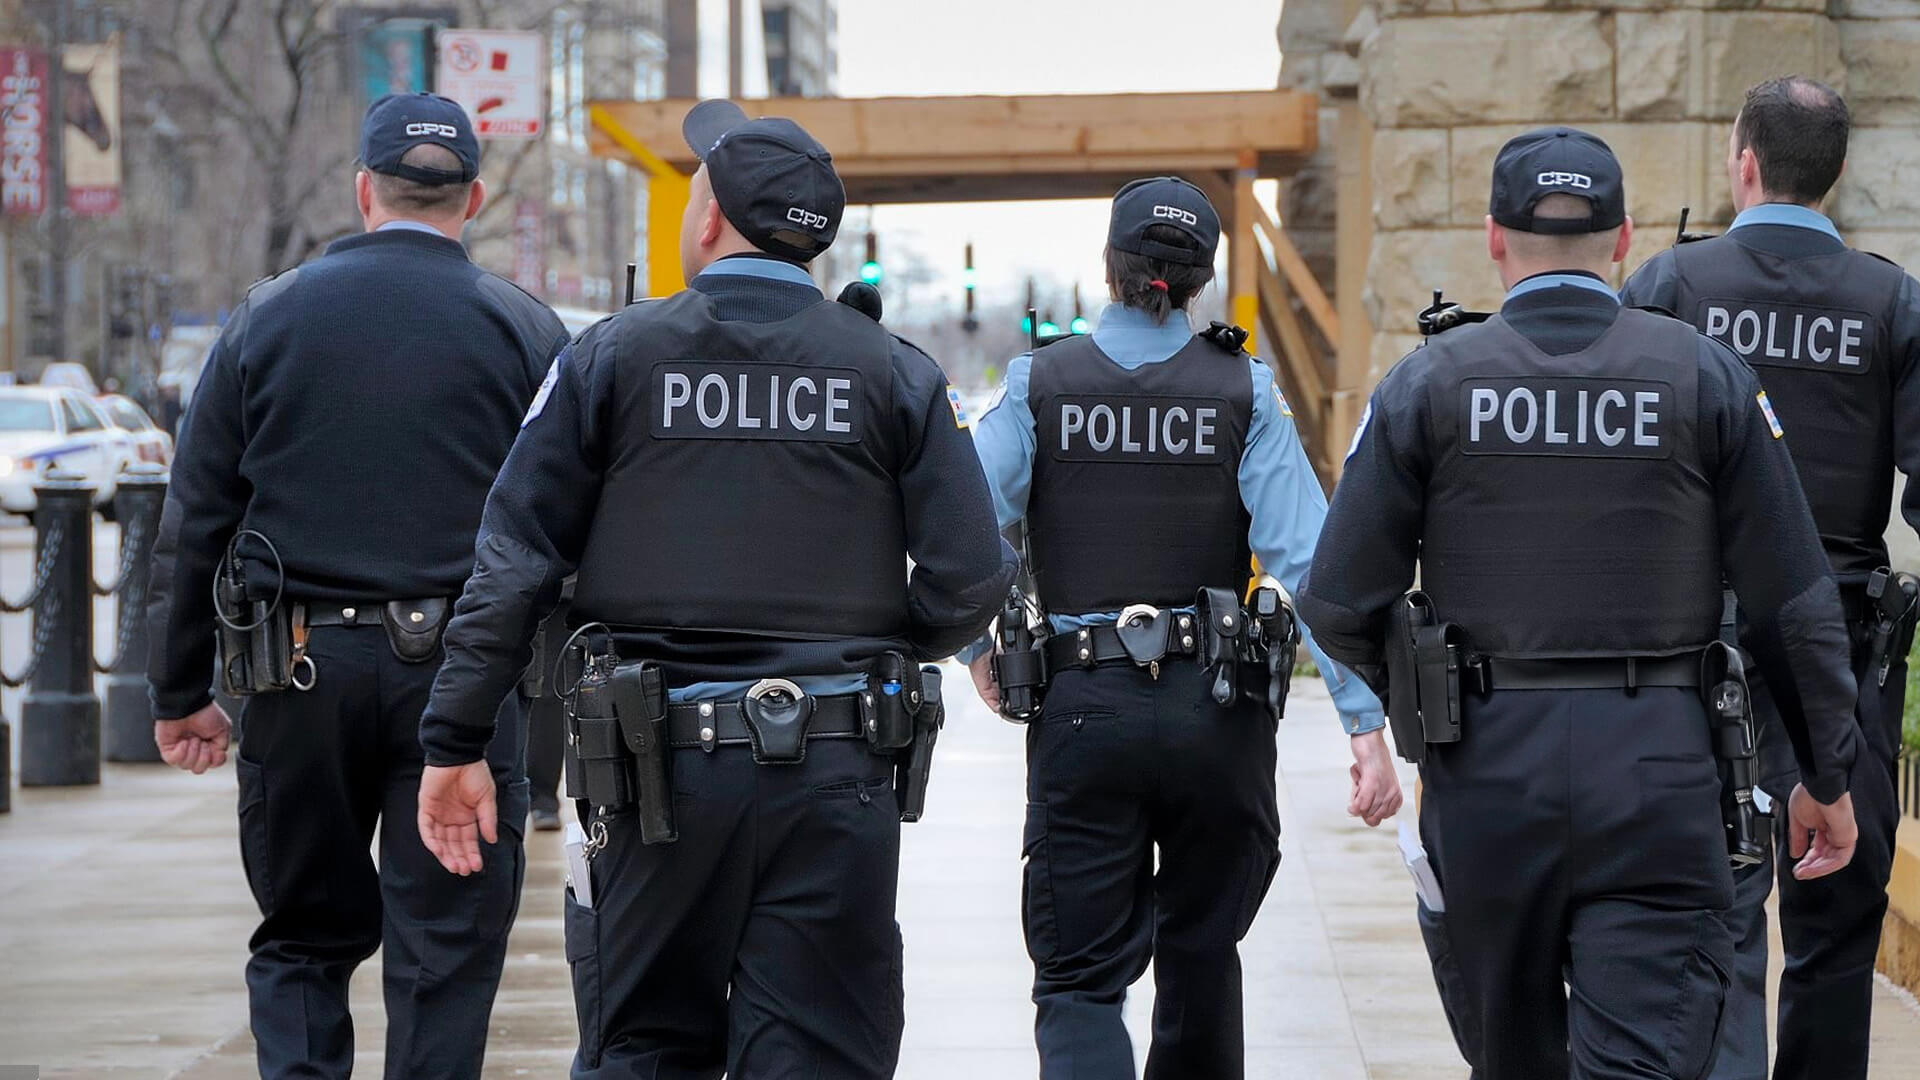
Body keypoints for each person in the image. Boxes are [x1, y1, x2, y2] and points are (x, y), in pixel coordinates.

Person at [413, 99, 1016, 1079]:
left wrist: (454, 737)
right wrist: (879, 648)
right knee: (819, 1052)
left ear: (708, 222)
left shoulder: (613, 356)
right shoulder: (893, 372)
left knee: (645, 1047)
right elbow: (974, 573)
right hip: (835, 767)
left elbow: (514, 558)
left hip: (654, 779)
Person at [1296, 127, 1862, 1080]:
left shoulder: (1429, 383)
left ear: (1492, 238)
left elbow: (1340, 598)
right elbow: (1793, 606)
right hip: (1660, 774)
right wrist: (1826, 775)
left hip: (1486, 776)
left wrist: (1432, 706)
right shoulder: (1702, 375)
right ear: (1625, 238)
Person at [145, 94, 568, 1079]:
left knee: (302, 940)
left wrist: (179, 694)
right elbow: (564, 525)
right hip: (457, 686)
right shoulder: (524, 328)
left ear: (362, 190)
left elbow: (194, 519)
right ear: (471, 197)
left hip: (295, 670)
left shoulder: (267, 317)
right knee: (446, 954)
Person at [960, 176, 1401, 1080]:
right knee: (1202, 958)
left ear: (1110, 268)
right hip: (1219, 713)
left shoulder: (1041, 383)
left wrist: (975, 645)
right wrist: (1364, 725)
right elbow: (1314, 567)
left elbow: (952, 525)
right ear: (1201, 282)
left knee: (1080, 980)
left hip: (1083, 711)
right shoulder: (1246, 392)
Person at [1620, 76, 1920, 1080]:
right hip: (1845, 661)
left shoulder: (1670, 286)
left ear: (1744, 165)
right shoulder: (1893, 301)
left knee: (1716, 924)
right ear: (1836, 174)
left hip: (1698, 659)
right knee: (1835, 945)